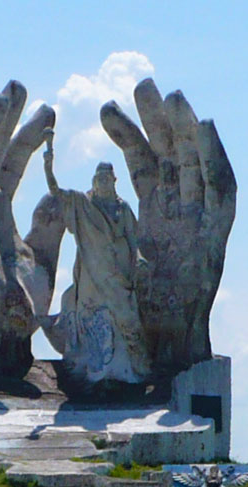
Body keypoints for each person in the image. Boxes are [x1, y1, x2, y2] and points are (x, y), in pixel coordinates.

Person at [40, 130, 151, 384]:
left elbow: (135, 240)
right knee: (94, 318)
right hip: (92, 273)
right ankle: (96, 373)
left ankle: (132, 369)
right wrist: (48, 166)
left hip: (118, 274)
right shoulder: (83, 204)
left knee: (126, 318)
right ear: (93, 180)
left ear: (114, 180)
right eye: (99, 178)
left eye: (107, 178)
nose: (103, 182)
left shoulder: (122, 208)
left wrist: (139, 259)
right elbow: (56, 191)